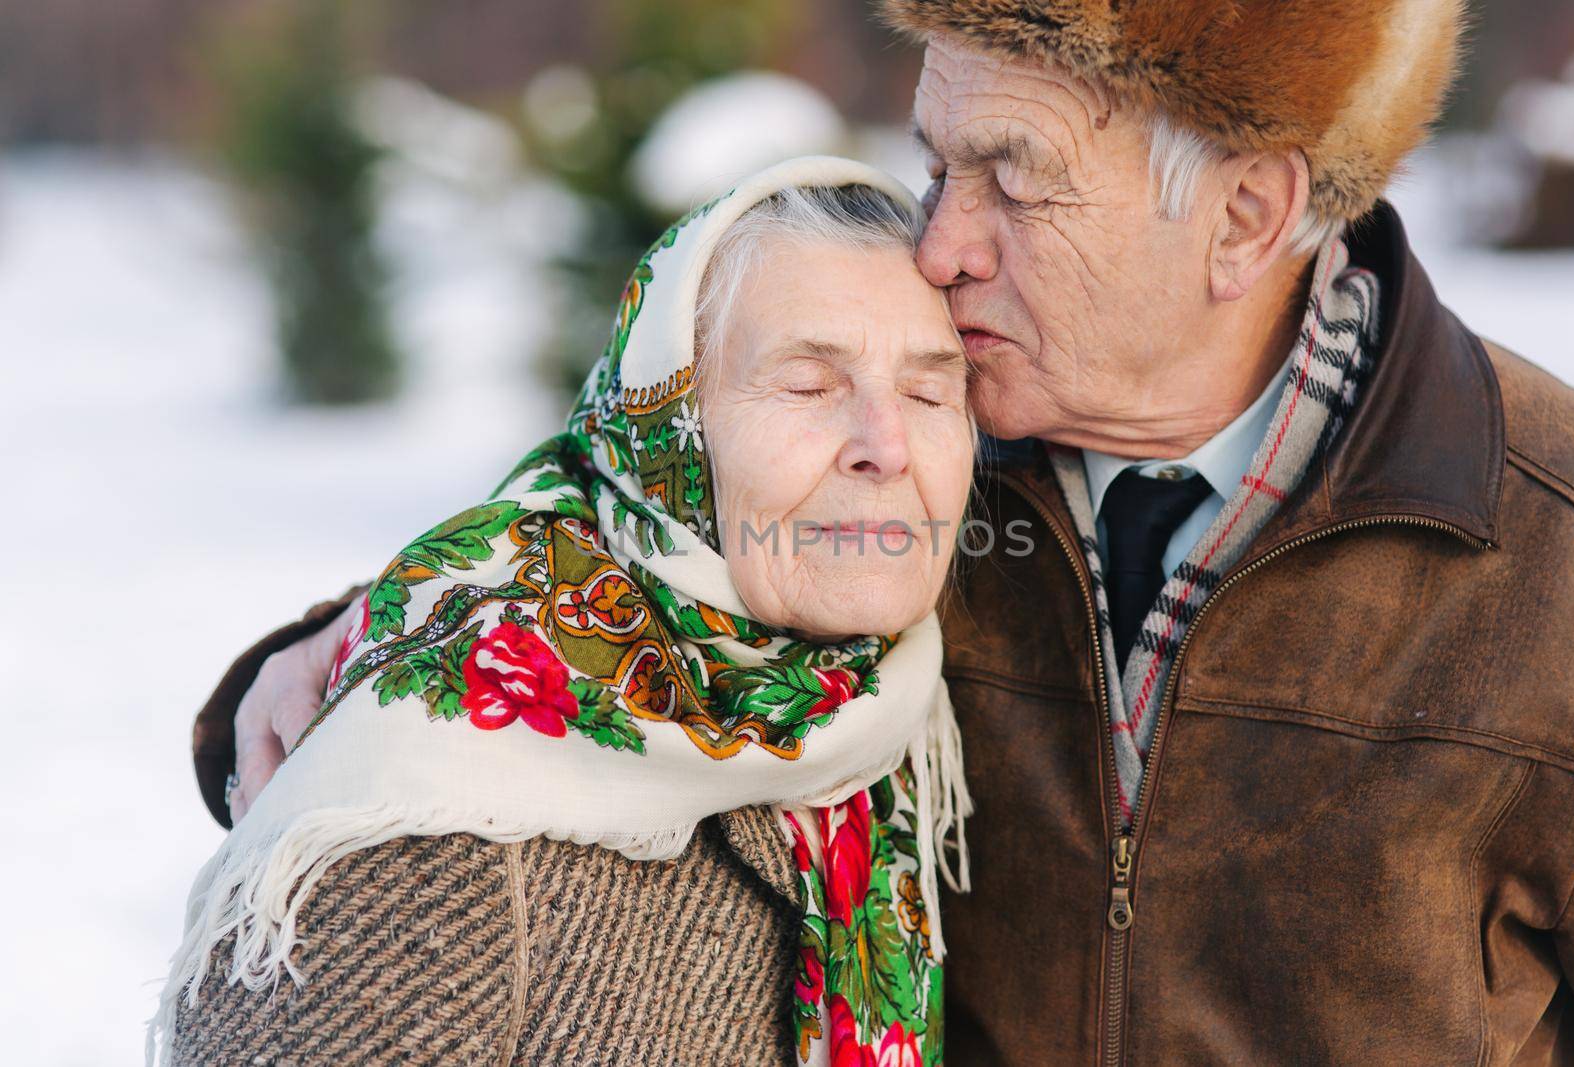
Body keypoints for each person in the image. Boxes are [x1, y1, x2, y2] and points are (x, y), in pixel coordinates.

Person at [192, 1, 1574, 1062]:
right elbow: (623, 542)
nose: (939, 247)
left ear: (1245, 214)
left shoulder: (1563, 556)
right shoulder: (911, 455)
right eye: (939, 163)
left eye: (1013, 174)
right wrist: (353, 646)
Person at [155, 158, 976, 1066]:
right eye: (807, 385)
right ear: (668, 439)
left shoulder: (918, 686)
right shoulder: (431, 817)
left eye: (932, 392)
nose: (888, 446)